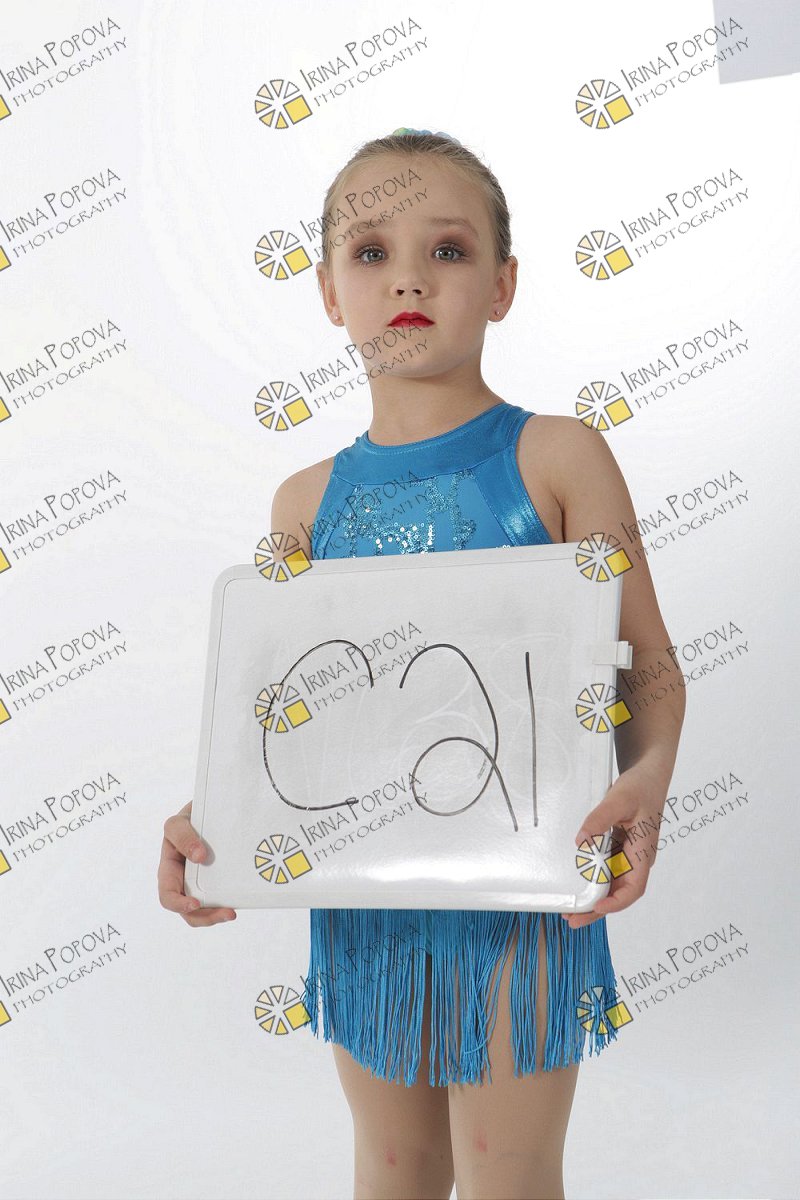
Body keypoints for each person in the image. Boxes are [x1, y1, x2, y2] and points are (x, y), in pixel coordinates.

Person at [158, 129, 685, 1200]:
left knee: (508, 1174)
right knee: (391, 1173)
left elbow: (649, 669)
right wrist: (211, 818)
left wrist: (645, 781)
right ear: (328, 293)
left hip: (526, 893)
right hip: (365, 900)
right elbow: (288, 718)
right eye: (370, 253)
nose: (407, 277)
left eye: (446, 250)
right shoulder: (302, 503)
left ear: (501, 285)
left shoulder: (556, 456)